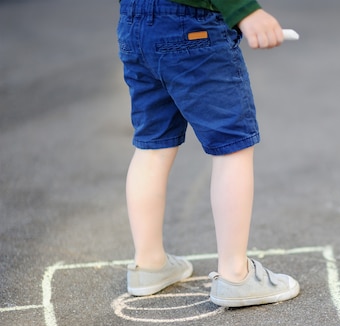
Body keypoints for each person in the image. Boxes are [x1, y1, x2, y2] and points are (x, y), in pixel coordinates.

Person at [117, 0, 300, 307]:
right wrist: (244, 10)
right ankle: (235, 276)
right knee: (232, 145)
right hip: (192, 24)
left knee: (152, 145)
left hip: (134, 22)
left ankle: (148, 264)